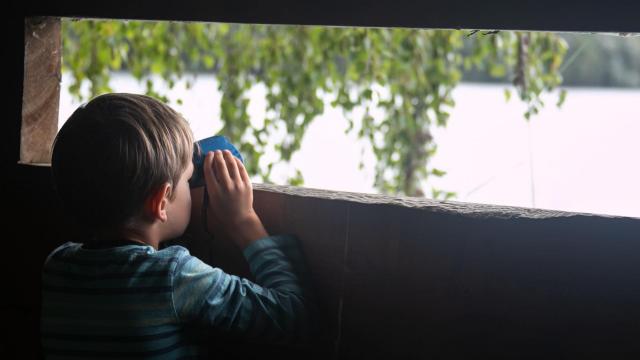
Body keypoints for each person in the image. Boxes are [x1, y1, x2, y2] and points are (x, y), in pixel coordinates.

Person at [41, 93, 318, 358]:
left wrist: (175, 168)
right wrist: (243, 220)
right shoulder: (176, 277)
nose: (191, 185)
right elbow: (293, 318)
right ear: (161, 202)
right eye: (188, 179)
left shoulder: (58, 266)